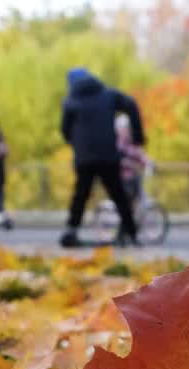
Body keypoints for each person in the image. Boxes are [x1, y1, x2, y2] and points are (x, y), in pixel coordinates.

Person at [59, 68, 144, 246]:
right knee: (118, 194)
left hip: (85, 157)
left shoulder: (70, 101)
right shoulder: (108, 95)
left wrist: (76, 143)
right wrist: (137, 135)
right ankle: (132, 234)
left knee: (81, 194)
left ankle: (71, 230)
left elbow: (65, 131)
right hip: (108, 155)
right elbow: (131, 105)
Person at [116, 114, 150, 211]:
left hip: (134, 177)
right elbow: (116, 159)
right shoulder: (117, 143)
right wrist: (129, 164)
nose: (127, 130)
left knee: (137, 198)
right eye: (125, 128)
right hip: (122, 178)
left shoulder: (131, 142)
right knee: (128, 201)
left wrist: (148, 162)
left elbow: (140, 154)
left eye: (128, 128)